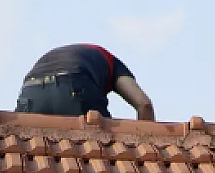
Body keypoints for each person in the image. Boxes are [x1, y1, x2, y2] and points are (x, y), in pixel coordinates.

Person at [15, 44, 155, 120]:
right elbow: (144, 104)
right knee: (105, 145)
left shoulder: (88, 55)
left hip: (30, 92)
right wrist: (146, 145)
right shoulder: (114, 64)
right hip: (72, 86)